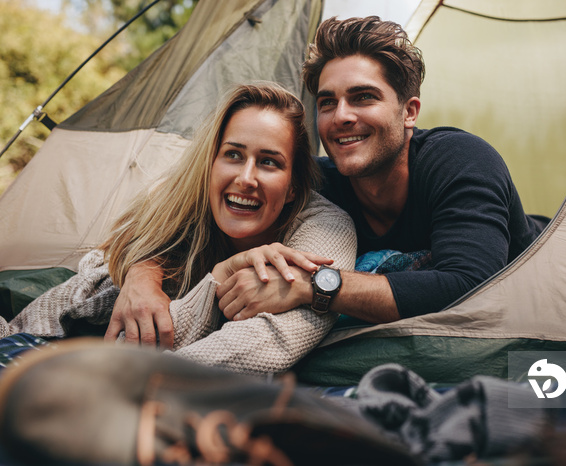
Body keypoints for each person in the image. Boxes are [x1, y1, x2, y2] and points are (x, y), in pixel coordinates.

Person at [111, 16, 546, 341]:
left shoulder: (460, 160)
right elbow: (180, 217)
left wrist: (312, 286)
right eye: (327, 102)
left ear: (409, 111)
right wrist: (142, 279)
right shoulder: (316, 181)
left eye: (363, 97)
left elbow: (471, 284)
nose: (341, 117)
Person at [0, 83, 357, 376]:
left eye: (268, 162)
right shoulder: (190, 196)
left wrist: (216, 279)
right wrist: (142, 273)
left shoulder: (324, 229)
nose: (245, 178)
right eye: (233, 154)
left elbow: (269, 341)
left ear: (294, 185)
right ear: (212, 161)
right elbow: (118, 252)